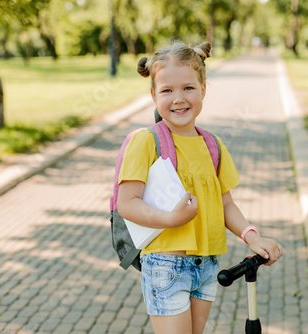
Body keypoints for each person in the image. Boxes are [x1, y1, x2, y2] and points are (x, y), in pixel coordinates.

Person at [117, 41, 283, 334]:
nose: (178, 98)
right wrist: (170, 219)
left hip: (206, 266)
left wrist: (251, 236)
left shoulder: (213, 145)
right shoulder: (146, 141)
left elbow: (226, 204)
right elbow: (127, 203)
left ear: (204, 89)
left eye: (188, 88)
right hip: (166, 264)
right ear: (153, 94)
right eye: (167, 90)